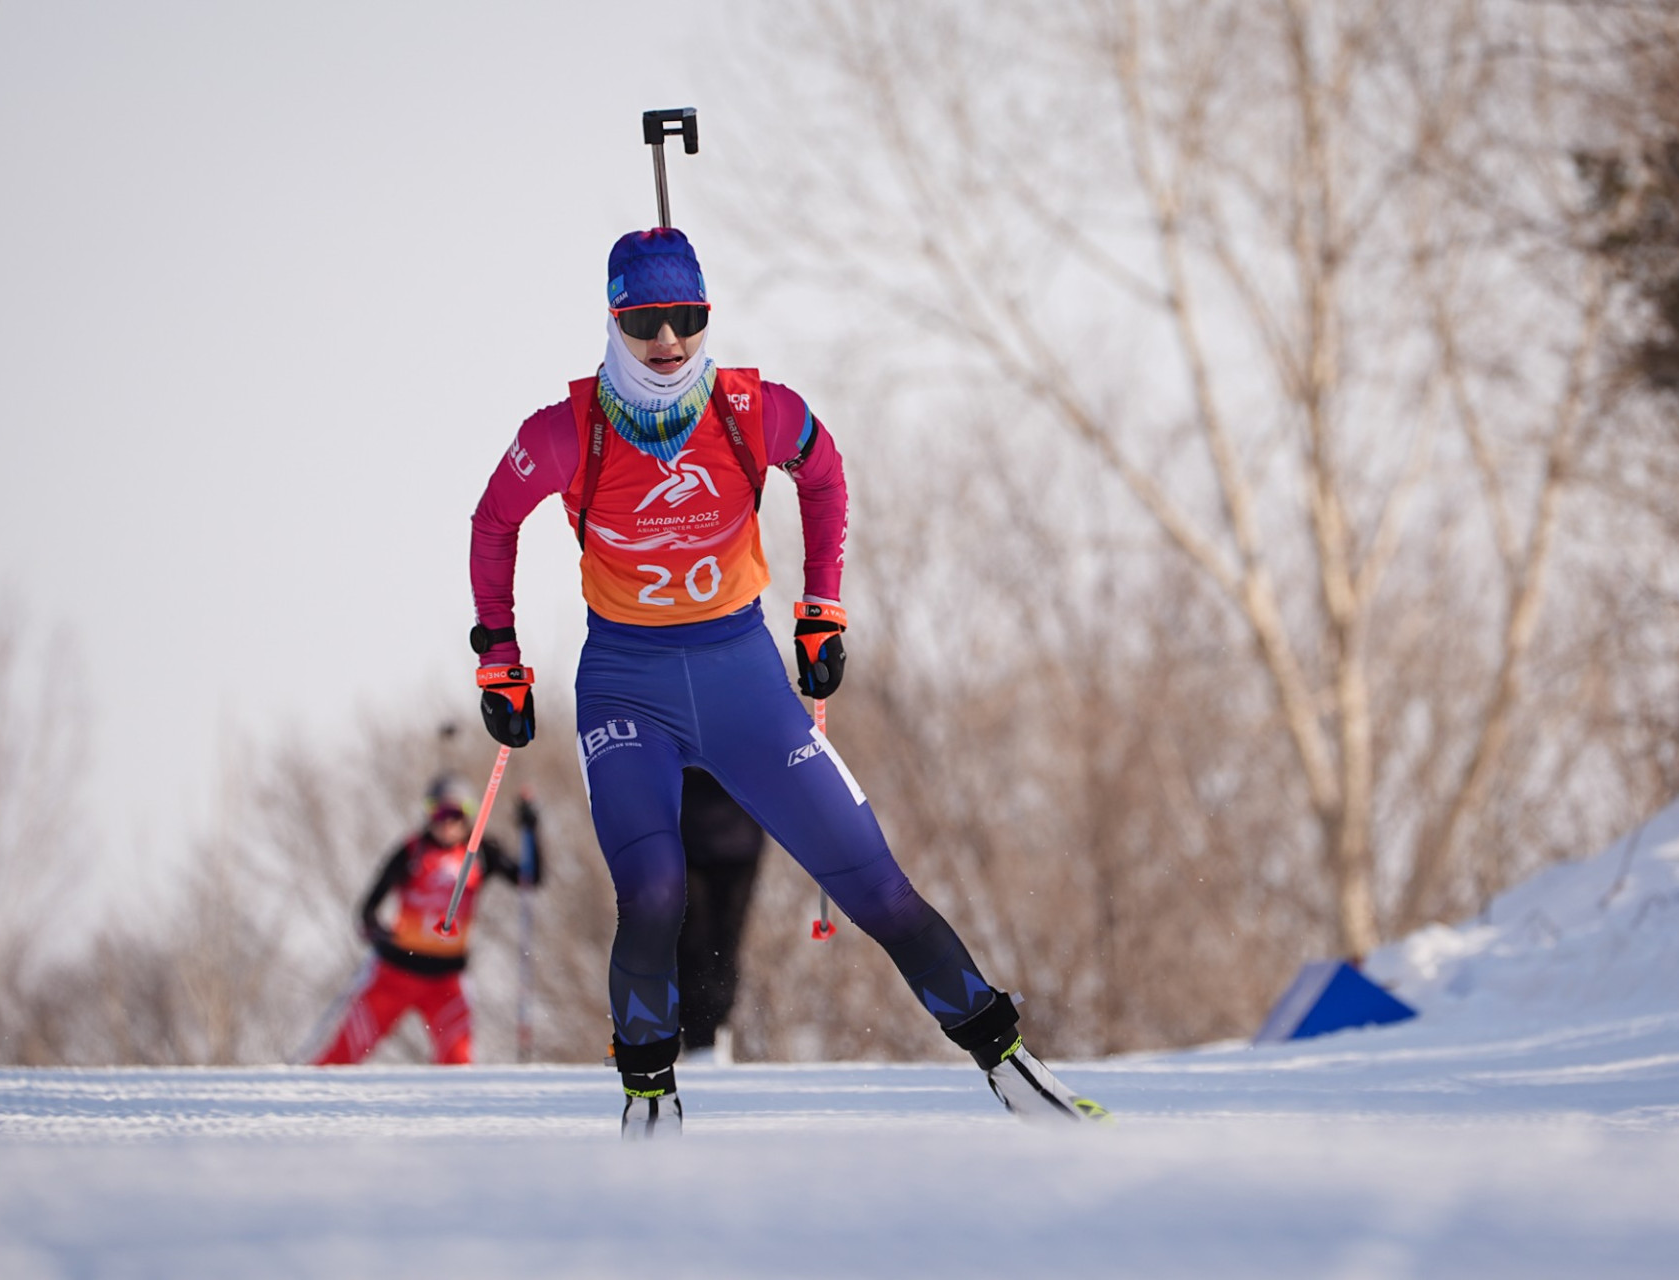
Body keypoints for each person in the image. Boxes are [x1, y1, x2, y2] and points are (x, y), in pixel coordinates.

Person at [467, 226, 1108, 1137]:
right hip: (627, 689)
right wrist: (500, 655)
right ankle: (650, 1101)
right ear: (614, 320)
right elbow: (494, 525)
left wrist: (823, 607)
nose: (669, 340)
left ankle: (1010, 1064)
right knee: (653, 892)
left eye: (687, 316)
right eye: (647, 320)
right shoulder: (565, 432)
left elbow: (825, 471)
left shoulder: (751, 409)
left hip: (744, 682)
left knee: (877, 886)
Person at [312, 775, 540, 1066]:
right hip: (396, 975)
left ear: (470, 816)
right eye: (439, 813)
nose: (447, 823)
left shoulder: (482, 852)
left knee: (458, 1064)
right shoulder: (411, 851)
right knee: (341, 1058)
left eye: (456, 814)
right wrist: (381, 935)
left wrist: (531, 829)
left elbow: (530, 878)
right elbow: (368, 911)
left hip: (447, 981)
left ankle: (450, 1112)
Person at [676, 766, 766, 1065]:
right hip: (682, 835)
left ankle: (715, 1031)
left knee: (725, 941)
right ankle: (698, 1037)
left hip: (739, 839)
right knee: (691, 940)